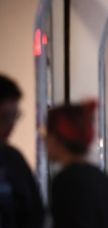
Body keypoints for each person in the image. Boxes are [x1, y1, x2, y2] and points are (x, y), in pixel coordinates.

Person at [44, 101, 108, 228]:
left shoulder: (67, 182)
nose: (43, 141)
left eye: (46, 135)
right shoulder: (100, 178)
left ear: (57, 139)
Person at [0, 74, 44, 228]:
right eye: (5, 117)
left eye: (14, 117)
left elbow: (34, 214)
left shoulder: (13, 159)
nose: (11, 125)